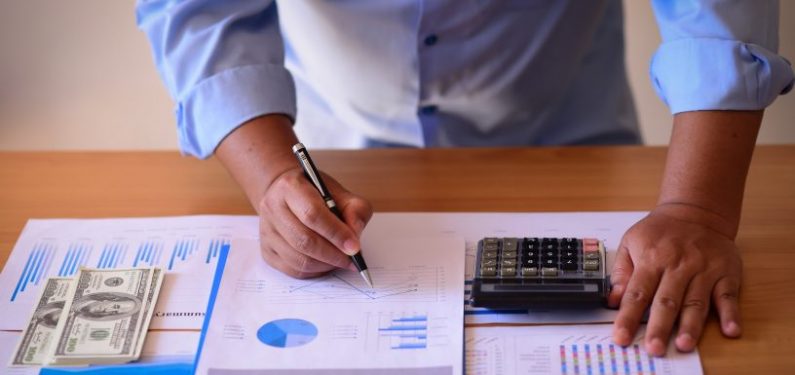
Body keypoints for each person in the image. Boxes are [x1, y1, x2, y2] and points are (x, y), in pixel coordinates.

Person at [136, 0, 793, 356]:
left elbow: (714, 11)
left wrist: (695, 209)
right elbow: (199, 9)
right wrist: (273, 174)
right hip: (340, 146)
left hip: (568, 140)